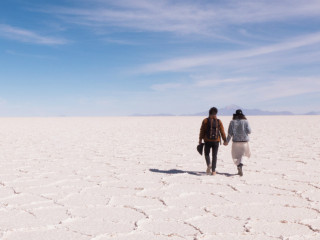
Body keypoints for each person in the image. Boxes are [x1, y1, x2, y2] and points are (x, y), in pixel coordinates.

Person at [199, 107, 227, 175]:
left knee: (206, 154)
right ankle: (213, 171)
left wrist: (200, 139)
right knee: (214, 155)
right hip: (216, 141)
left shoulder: (205, 120)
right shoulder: (218, 121)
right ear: (216, 113)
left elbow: (202, 130)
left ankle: (209, 164)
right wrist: (225, 140)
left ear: (209, 113)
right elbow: (222, 131)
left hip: (207, 140)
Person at [224, 109, 252, 176]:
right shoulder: (246, 122)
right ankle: (241, 165)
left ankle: (239, 166)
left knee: (236, 156)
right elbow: (249, 131)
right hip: (244, 142)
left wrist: (226, 141)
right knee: (245, 155)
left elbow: (230, 134)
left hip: (236, 142)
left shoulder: (232, 122)